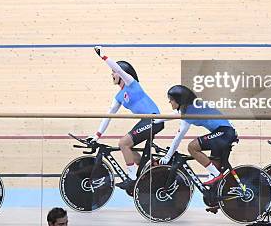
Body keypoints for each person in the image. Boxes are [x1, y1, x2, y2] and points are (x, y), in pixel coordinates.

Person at [88, 46, 164, 191]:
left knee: (123, 143)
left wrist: (103, 56)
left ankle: (132, 178)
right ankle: (152, 168)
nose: (112, 75)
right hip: (146, 121)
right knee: (128, 147)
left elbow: (119, 69)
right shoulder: (118, 97)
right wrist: (97, 136)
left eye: (113, 73)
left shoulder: (132, 83)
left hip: (154, 119)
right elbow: (108, 115)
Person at [156, 85, 237, 185]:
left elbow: (179, 137)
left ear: (179, 100)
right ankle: (216, 188)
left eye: (171, 99)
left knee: (192, 147)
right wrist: (156, 119)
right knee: (214, 169)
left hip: (225, 132)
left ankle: (216, 175)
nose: (169, 102)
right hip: (222, 132)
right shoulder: (190, 107)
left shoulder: (190, 112)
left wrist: (168, 156)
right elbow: (175, 114)